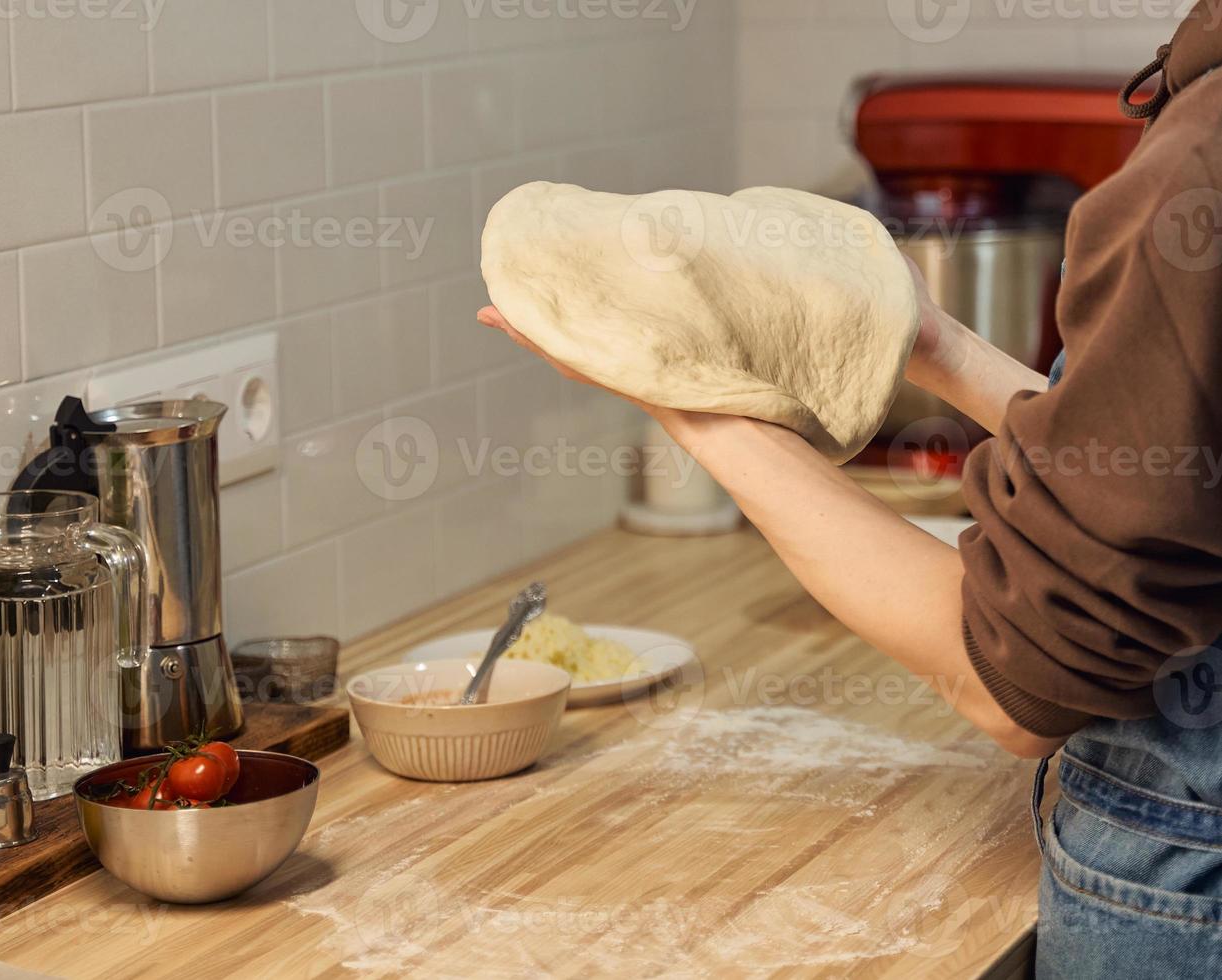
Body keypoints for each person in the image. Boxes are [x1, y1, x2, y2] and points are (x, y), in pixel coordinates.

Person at [479, 4, 1222, 975]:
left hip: (1180, 893)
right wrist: (933, 344)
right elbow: (1166, 465)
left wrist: (689, 399)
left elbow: (1020, 679)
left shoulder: (1199, 160)